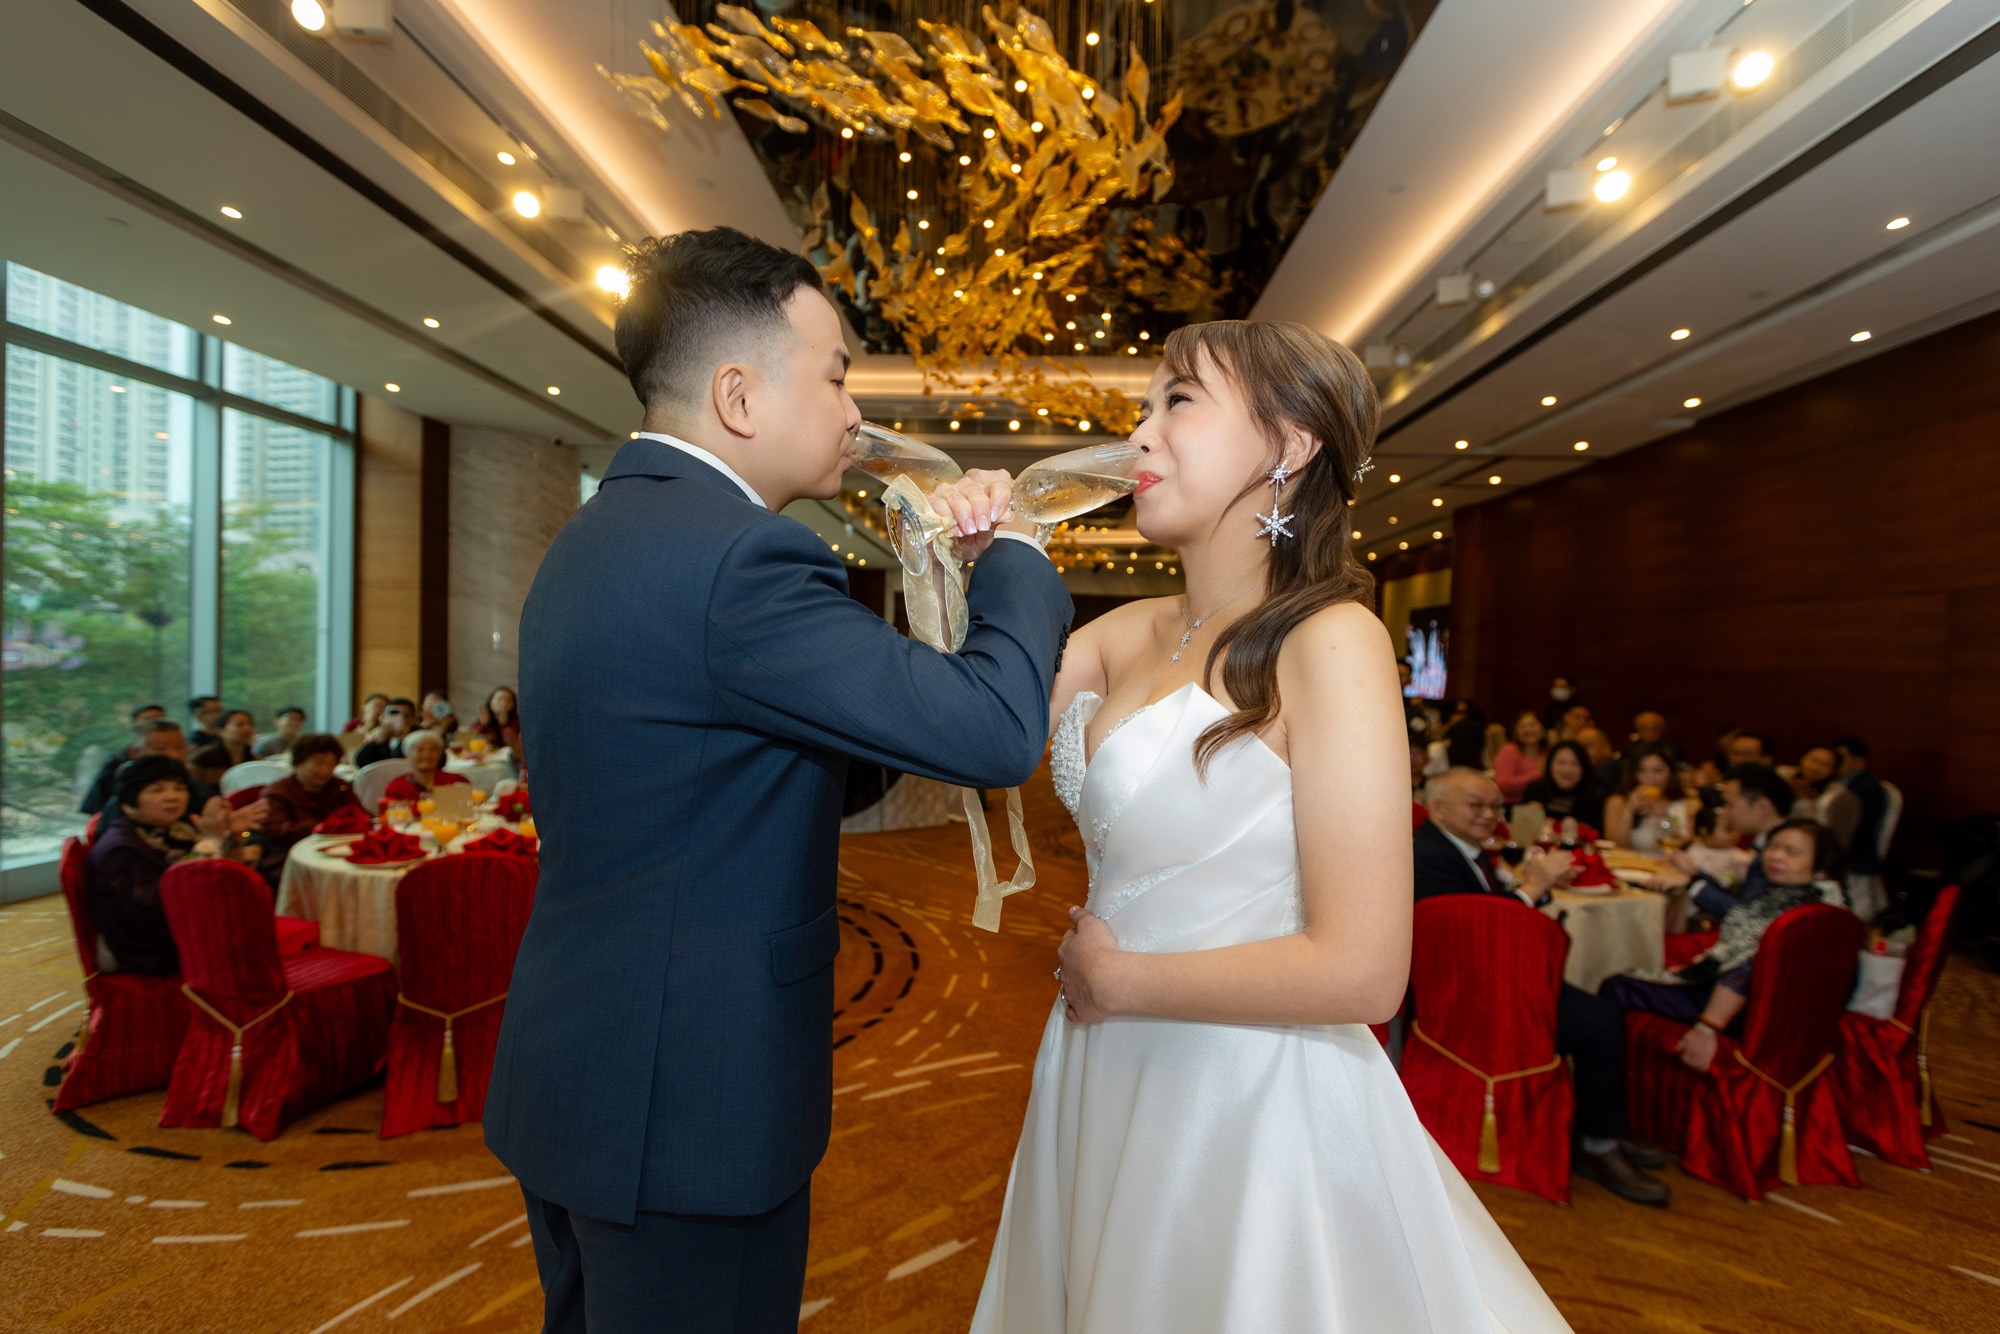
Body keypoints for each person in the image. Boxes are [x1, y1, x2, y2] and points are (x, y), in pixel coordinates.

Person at [485, 226, 1072, 1333]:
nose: (854, 412)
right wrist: (1020, 556)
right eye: (837, 375)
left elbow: (728, 769)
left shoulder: (597, 534)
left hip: (580, 1068)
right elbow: (997, 732)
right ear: (738, 395)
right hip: (686, 1104)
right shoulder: (742, 559)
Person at [979, 319, 1571, 1331]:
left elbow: (1365, 971)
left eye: (1177, 401)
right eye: (1142, 407)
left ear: (1289, 444)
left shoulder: (1330, 639)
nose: (1139, 434)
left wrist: (1121, 982)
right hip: (1096, 1060)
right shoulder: (1122, 633)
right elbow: (965, 732)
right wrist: (989, 558)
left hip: (1238, 1089)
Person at [1411, 769, 1670, 1206]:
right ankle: (1599, 1146)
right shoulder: (1429, 857)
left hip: (1491, 979)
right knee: (1600, 1024)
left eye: (1495, 806)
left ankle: (1602, 1129)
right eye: (1476, 805)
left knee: (1604, 1009)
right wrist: (1534, 886)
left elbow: (1487, 910)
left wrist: (1540, 890)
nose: (1489, 815)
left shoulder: (1461, 849)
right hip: (1463, 997)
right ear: (1437, 808)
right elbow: (1479, 931)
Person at [1602, 820, 1847, 1070]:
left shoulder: (1785, 909)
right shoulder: (1830, 903)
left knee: (1618, 985)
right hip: (1794, 1014)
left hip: (1749, 1011)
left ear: (1821, 867)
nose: (1776, 856)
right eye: (1773, 847)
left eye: (1791, 852)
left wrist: (1707, 1028)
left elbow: (1744, 969)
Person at [84, 755, 229, 974]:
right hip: (153, 952)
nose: (172, 796)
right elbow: (159, 910)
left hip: (179, 932)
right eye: (156, 790)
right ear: (128, 804)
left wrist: (232, 837)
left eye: (179, 788)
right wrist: (210, 842)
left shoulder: (172, 829)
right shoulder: (121, 849)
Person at [1656, 764, 1794, 921]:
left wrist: (1691, 884)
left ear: (1763, 806)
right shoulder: (1773, 842)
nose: (1725, 812)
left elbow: (1748, 917)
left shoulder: (1780, 853)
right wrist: (1694, 874)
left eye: (1730, 804)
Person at [257, 734, 364, 883]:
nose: (325, 770)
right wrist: (317, 827)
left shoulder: (339, 787)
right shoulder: (278, 793)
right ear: (298, 762)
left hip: (339, 853)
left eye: (331, 764)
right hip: (291, 860)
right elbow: (275, 830)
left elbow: (360, 816)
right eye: (318, 764)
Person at [1833, 735, 1890, 921]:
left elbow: (1856, 825)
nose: (1835, 762)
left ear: (1858, 760)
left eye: (1841, 758)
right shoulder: (1837, 782)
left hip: (1855, 853)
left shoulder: (1868, 787)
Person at [79, 702, 169, 815]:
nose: (155, 726)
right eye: (148, 721)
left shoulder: (175, 759)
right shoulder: (119, 762)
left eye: (161, 721)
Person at [1604, 744, 1692, 852]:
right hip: (1631, 862)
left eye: (1657, 771)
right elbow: (1616, 847)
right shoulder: (1618, 801)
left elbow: (1685, 844)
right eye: (1642, 770)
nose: (1650, 778)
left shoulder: (1683, 804)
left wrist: (1663, 818)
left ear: (1670, 773)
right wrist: (1629, 810)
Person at [1522, 739, 1605, 829]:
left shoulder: (1594, 801)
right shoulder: (1534, 790)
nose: (1567, 769)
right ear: (1550, 764)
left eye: (1575, 763)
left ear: (1584, 768)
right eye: (1561, 762)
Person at [379, 730, 468, 807]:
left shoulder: (456, 781)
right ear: (407, 755)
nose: (427, 754)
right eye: (420, 750)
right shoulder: (396, 787)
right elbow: (391, 815)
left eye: (433, 749)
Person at [1491, 710, 1549, 803]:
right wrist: (1539, 774)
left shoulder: (1547, 753)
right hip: (1516, 805)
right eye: (1522, 726)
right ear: (1516, 732)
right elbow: (1504, 785)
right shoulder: (1509, 750)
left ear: (1542, 729)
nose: (1528, 730)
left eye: (1532, 725)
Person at [188, 709, 257, 786]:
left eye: (250, 724)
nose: (247, 728)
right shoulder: (203, 758)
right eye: (239, 724)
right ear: (220, 731)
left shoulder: (254, 759)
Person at [354, 698, 416, 768]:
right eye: (392, 715)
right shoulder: (380, 737)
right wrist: (375, 743)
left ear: (413, 718)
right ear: (382, 717)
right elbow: (361, 763)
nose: (401, 720)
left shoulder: (419, 737)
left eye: (406, 716)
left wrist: (406, 740)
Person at [472, 686, 524, 755]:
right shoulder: (483, 720)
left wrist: (503, 724)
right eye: (500, 699)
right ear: (491, 702)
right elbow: (471, 739)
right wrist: (484, 724)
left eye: (508, 700)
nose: (504, 703)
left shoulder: (518, 722)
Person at [1576, 726, 1623, 794]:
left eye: (1587, 746)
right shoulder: (1579, 777)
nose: (1582, 752)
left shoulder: (1623, 775)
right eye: (1578, 747)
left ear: (1606, 749)